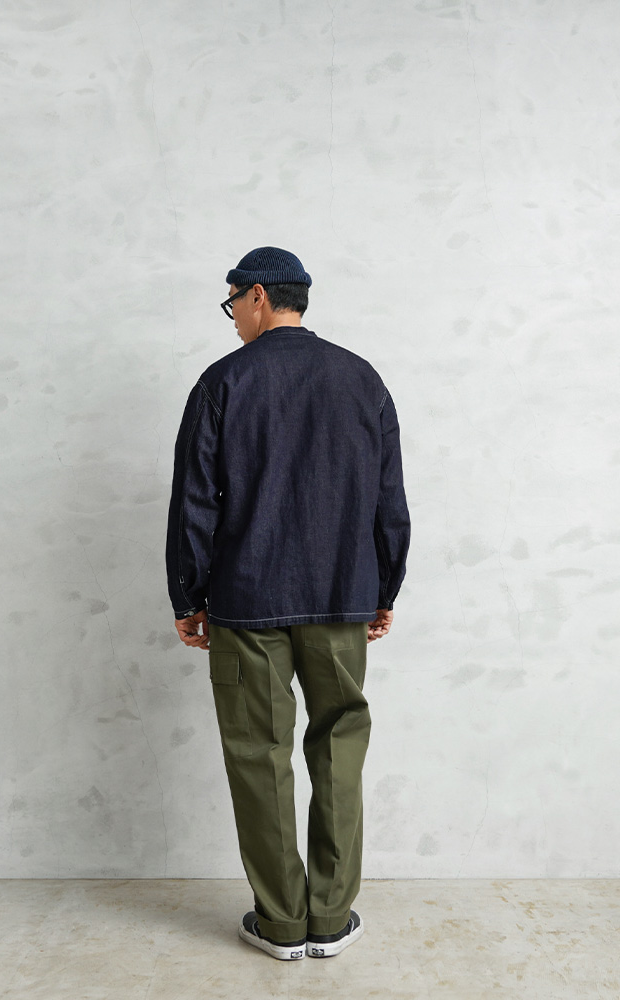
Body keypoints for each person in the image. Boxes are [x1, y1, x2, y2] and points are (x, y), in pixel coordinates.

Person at [165, 246, 410, 961]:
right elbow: (388, 500)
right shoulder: (361, 379)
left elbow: (194, 502)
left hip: (247, 601)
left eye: (232, 302)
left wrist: (188, 593)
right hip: (341, 597)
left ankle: (280, 924)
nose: (233, 317)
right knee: (339, 747)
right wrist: (382, 588)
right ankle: (330, 919)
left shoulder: (223, 381)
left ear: (258, 296)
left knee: (257, 754)